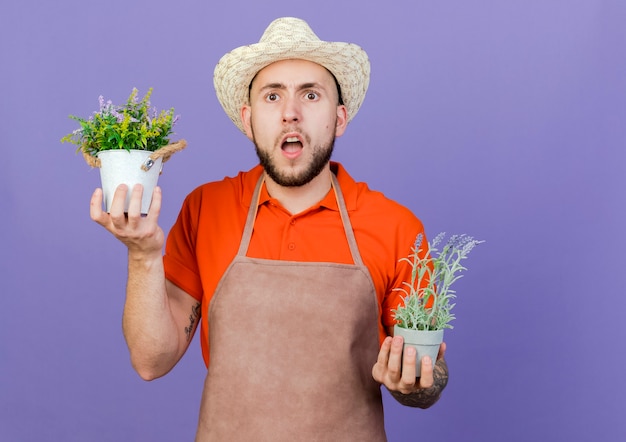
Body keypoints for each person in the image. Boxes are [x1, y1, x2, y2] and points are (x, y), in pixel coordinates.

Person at [91, 17, 448, 441]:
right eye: (272, 95)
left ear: (339, 118)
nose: (290, 113)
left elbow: (429, 377)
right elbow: (152, 360)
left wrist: (418, 383)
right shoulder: (206, 209)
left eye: (310, 95)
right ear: (248, 119)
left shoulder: (395, 227)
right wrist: (143, 255)